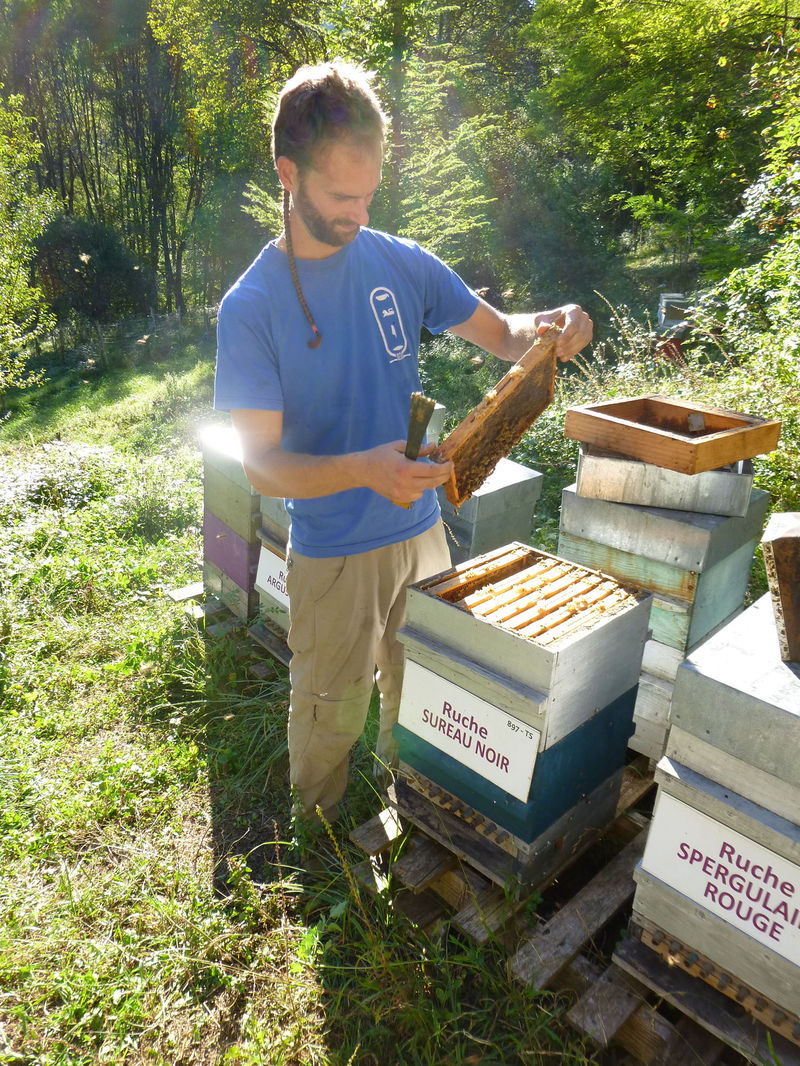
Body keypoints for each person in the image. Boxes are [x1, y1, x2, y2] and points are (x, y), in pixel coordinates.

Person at [213, 61, 593, 830]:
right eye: (339, 196)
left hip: (422, 534)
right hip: (335, 552)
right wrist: (362, 469)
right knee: (330, 708)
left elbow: (506, 333)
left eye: (369, 193)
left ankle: (406, 815)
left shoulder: (401, 261)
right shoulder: (250, 307)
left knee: (421, 697)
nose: (357, 213)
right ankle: (318, 847)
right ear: (289, 173)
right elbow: (259, 464)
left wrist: (554, 323)